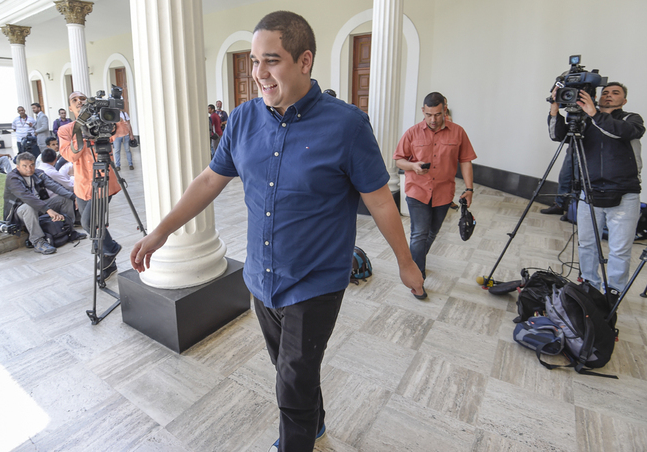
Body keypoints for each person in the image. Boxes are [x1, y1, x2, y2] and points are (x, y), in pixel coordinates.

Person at [130, 11, 423, 452]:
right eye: (253, 61)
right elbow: (210, 179)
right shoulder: (244, 119)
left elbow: (380, 199)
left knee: (291, 381)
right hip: (262, 276)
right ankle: (317, 424)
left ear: (305, 61)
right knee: (292, 370)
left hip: (316, 280)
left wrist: (406, 262)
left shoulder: (346, 125)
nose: (258, 74)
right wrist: (162, 231)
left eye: (271, 61)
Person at [548, 82, 645, 297]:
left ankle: (613, 293)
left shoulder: (631, 119)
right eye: (606, 93)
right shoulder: (585, 121)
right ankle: (589, 286)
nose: (609, 96)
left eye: (615, 93)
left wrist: (593, 113)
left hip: (624, 194)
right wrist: (555, 108)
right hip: (589, 192)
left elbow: (621, 132)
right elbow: (558, 136)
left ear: (624, 101)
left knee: (620, 249)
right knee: (587, 244)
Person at [394, 92, 477, 296]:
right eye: (429, 114)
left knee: (431, 233)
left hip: (443, 193)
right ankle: (417, 278)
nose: (433, 119)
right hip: (417, 191)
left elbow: (465, 160)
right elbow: (398, 160)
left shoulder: (458, 133)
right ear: (423, 111)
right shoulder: (412, 133)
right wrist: (413, 166)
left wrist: (469, 189)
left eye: (438, 114)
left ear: (444, 110)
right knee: (419, 234)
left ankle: (417, 260)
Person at [58, 91, 123, 282]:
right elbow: (70, 155)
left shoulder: (103, 123)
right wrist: (80, 129)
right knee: (96, 225)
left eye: (82, 99)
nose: (79, 102)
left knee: (88, 223)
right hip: (82, 185)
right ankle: (108, 263)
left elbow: (121, 131)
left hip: (104, 182)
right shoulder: (65, 130)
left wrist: (110, 113)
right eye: (74, 100)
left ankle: (111, 249)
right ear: (70, 108)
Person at [3, 152, 85, 254]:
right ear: (18, 167)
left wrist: (74, 197)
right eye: (25, 166)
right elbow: (27, 197)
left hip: (40, 206)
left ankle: (68, 230)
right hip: (18, 212)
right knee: (29, 207)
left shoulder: (38, 173)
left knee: (64, 199)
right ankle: (37, 241)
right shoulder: (12, 178)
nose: (29, 169)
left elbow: (55, 186)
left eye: (31, 165)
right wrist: (48, 210)